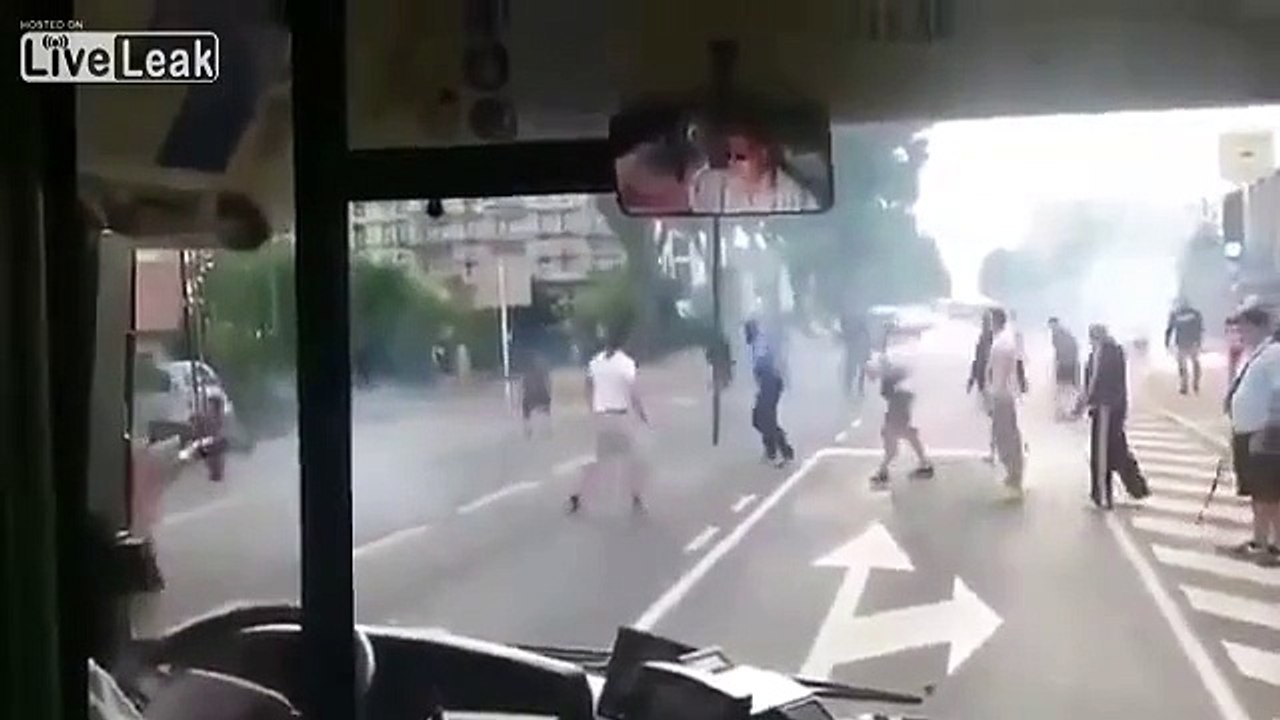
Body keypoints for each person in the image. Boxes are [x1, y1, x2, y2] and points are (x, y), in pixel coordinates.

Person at [568, 324, 650, 514]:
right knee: (633, 459)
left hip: (602, 417)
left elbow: (587, 386)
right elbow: (634, 393)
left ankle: (578, 495)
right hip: (620, 417)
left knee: (599, 461)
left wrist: (593, 408)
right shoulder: (626, 363)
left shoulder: (595, 362)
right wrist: (642, 415)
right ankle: (636, 498)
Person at [1222, 305, 1280, 566]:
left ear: (1258, 327)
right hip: (1249, 433)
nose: (1239, 333)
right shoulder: (1257, 354)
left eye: (1243, 327)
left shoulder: (1274, 354)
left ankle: (1276, 547)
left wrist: (1268, 431)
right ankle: (1259, 541)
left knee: (1271, 494)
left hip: (1264, 435)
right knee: (1259, 493)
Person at [1076, 323, 1148, 508]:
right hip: (1116, 407)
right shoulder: (1117, 351)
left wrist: (1081, 405)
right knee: (1118, 449)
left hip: (1105, 408)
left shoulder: (1101, 353)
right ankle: (1137, 487)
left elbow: (1093, 382)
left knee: (1101, 453)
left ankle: (1102, 495)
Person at [689, 126, 819, 213]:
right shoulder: (710, 185)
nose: (731, 162)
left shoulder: (795, 197)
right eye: (729, 155)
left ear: (763, 154)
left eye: (740, 156)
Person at [868, 353, 934, 488]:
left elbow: (900, 392)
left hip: (900, 403)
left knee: (892, 434)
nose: (870, 378)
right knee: (905, 434)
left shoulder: (891, 376)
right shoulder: (891, 375)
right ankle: (924, 463)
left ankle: (883, 471)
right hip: (900, 403)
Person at [985, 308, 1025, 497]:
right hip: (1008, 394)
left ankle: (1014, 473)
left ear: (995, 321)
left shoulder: (1001, 343)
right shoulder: (1006, 339)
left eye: (989, 320)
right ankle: (1015, 471)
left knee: (1004, 435)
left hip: (1003, 395)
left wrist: (993, 396)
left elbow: (999, 374)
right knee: (1009, 433)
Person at [745, 318, 795, 466]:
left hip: (770, 383)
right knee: (762, 419)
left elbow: (767, 363)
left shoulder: (760, 343)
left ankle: (781, 451)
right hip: (768, 384)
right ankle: (773, 449)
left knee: (764, 419)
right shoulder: (757, 343)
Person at [1165, 296, 1205, 395]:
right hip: (1189, 342)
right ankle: (1190, 384)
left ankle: (1188, 385)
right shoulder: (1195, 314)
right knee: (1191, 363)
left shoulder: (1175, 315)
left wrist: (1167, 342)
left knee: (1185, 365)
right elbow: (1200, 328)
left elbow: (1169, 330)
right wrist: (1199, 340)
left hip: (1185, 343)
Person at [1048, 317, 1081, 420]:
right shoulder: (1056, 335)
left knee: (1066, 388)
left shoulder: (1062, 334)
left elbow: (1073, 348)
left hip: (1069, 363)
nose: (1052, 328)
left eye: (1053, 326)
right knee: (1063, 388)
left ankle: (1066, 412)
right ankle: (1063, 411)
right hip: (1065, 363)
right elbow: (1057, 351)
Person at [519, 350, 552, 439]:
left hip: (530, 398)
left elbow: (523, 387)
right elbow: (548, 384)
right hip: (542, 395)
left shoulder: (526, 374)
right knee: (546, 408)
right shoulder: (543, 372)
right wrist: (549, 395)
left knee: (525, 409)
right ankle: (547, 428)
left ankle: (528, 429)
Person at [839, 309, 872, 399]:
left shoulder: (855, 330)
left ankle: (855, 390)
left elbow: (845, 338)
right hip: (855, 351)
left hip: (857, 351)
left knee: (856, 371)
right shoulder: (858, 330)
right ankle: (853, 390)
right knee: (855, 371)